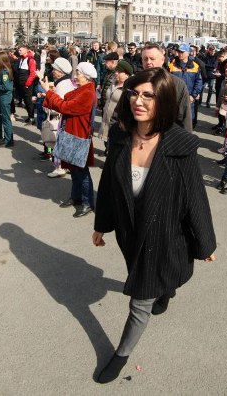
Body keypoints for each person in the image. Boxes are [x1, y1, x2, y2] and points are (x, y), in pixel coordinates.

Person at [92, 67, 216, 384]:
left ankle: (119, 356)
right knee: (153, 276)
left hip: (165, 235)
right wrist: (102, 224)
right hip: (129, 232)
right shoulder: (121, 137)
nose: (139, 100)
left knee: (140, 300)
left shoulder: (180, 145)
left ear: (163, 101)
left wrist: (205, 243)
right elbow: (108, 185)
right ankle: (166, 288)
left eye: (149, 95)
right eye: (135, 93)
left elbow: (195, 198)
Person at [43, 62, 98, 218]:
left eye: (78, 73)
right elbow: (65, 101)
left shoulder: (87, 93)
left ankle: (87, 203)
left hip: (79, 136)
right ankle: (76, 197)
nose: (75, 75)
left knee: (82, 171)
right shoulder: (82, 89)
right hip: (71, 133)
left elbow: (66, 107)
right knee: (74, 169)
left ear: (86, 77)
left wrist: (49, 93)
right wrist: (50, 93)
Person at [140, 43, 191, 131]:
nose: (148, 62)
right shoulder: (134, 82)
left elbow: (185, 117)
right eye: (145, 59)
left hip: (167, 136)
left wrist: (186, 141)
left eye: (152, 59)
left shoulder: (177, 84)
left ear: (162, 60)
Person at [99, 59, 133, 151]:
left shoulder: (129, 88)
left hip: (117, 124)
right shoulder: (113, 83)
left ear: (126, 74)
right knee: (108, 146)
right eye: (116, 71)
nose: (116, 73)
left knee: (114, 150)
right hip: (107, 120)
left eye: (119, 72)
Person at [168, 43, 203, 127]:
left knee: (188, 121)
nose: (180, 54)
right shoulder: (171, 65)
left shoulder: (195, 66)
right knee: (174, 121)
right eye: (179, 52)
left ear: (188, 53)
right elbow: (167, 81)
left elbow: (198, 82)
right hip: (175, 98)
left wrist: (193, 95)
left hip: (189, 98)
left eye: (182, 52)